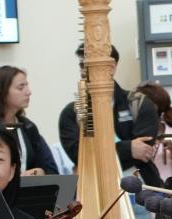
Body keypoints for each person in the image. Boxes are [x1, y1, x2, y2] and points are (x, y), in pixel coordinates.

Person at [57, 44, 162, 187]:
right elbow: (81, 157)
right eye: (82, 65)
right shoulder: (72, 113)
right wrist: (128, 148)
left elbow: (143, 150)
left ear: (112, 67)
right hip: (94, 189)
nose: (84, 71)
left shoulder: (139, 103)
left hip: (140, 189)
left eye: (91, 65)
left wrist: (100, 153)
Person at [0, 65, 58, 175]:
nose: (28, 92)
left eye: (27, 86)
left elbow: (49, 167)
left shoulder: (28, 127)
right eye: (21, 88)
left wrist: (40, 171)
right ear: (2, 92)